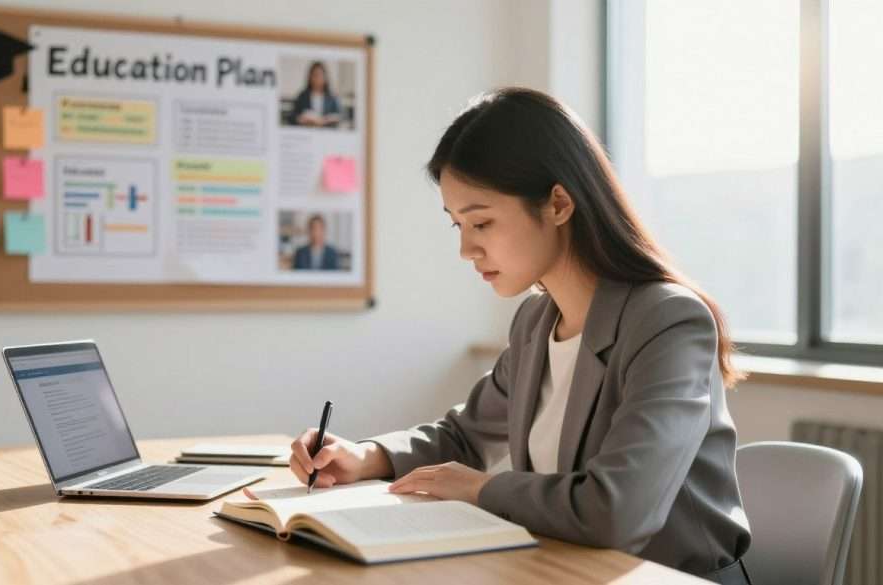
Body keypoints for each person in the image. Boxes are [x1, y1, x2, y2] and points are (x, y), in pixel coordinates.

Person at [288, 88, 753, 584]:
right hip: (563, 571)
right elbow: (464, 436)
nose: (467, 249)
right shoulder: (535, 321)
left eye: (482, 222)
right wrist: (365, 456)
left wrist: (482, 490)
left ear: (558, 203)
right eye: (457, 225)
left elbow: (618, 512)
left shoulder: (668, 322)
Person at [287, 61, 341, 128]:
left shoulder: (332, 97)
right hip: (307, 132)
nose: (317, 79)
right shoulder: (302, 96)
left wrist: (327, 120)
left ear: (325, 77)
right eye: (314, 75)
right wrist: (300, 119)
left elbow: (340, 116)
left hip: (327, 133)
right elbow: (291, 116)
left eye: (320, 75)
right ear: (310, 77)